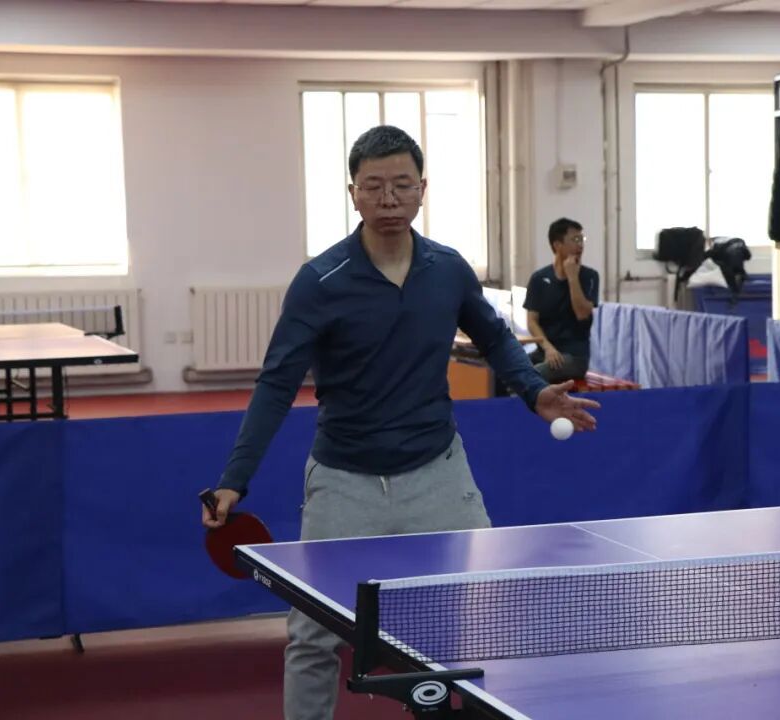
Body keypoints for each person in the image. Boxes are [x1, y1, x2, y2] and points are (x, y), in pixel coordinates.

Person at [200, 126, 599, 720]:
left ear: (422, 190)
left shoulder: (448, 269)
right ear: (353, 194)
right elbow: (277, 383)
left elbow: (493, 337)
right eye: (374, 186)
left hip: (438, 474)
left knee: (480, 618)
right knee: (312, 638)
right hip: (344, 482)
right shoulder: (320, 281)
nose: (389, 199)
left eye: (402, 185)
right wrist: (235, 478)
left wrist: (533, 391)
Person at [524, 218, 600, 382]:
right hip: (545, 352)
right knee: (506, 371)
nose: (580, 245)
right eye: (575, 240)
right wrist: (548, 348)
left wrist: (572, 277)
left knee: (532, 376)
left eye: (582, 239)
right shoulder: (539, 278)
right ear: (557, 245)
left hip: (574, 357)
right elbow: (532, 321)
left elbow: (582, 313)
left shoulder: (590, 276)